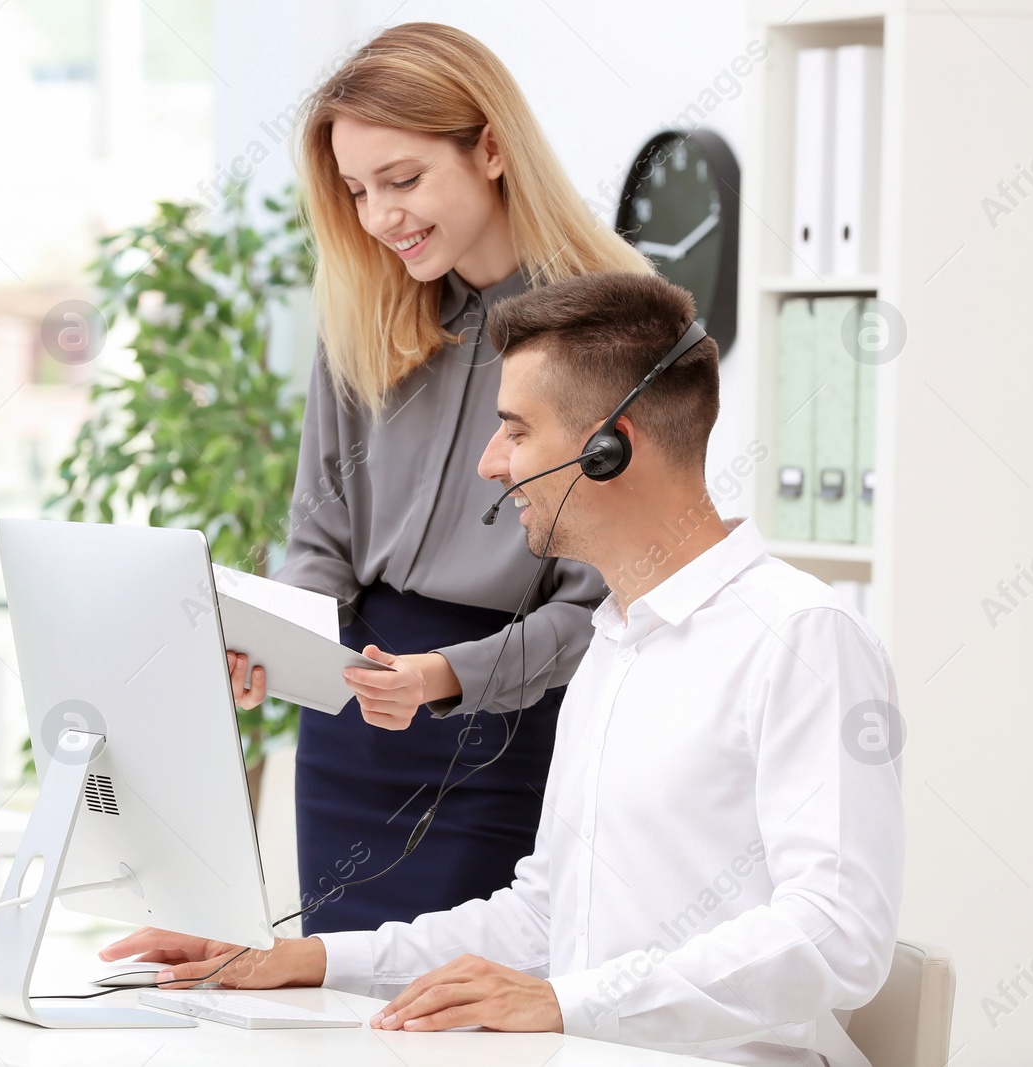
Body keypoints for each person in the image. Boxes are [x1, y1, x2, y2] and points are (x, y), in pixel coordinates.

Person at [104, 270, 905, 1067]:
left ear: (607, 449)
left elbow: (837, 932)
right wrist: (305, 957)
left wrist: (567, 1002)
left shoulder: (801, 636)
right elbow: (542, 918)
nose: (491, 463)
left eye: (516, 429)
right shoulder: (615, 644)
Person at [224, 21, 653, 935]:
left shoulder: (610, 328)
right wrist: (277, 639)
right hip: (352, 721)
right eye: (356, 190)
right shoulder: (366, 309)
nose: (379, 217)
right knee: (337, 998)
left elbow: (598, 609)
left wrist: (445, 677)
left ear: (492, 148)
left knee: (455, 1012)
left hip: (501, 730)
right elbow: (320, 541)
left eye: (404, 180)